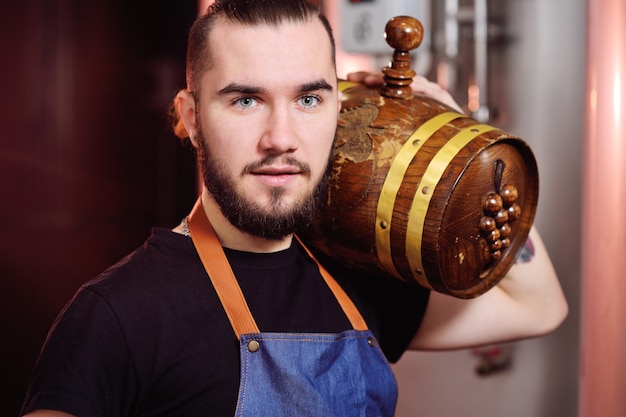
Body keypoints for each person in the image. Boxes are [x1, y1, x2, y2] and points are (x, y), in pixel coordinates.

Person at [20, 1, 568, 416]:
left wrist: (465, 144)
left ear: (341, 106)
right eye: (245, 100)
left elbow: (540, 306)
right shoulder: (116, 316)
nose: (281, 138)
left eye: (309, 99)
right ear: (190, 117)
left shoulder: (359, 272)